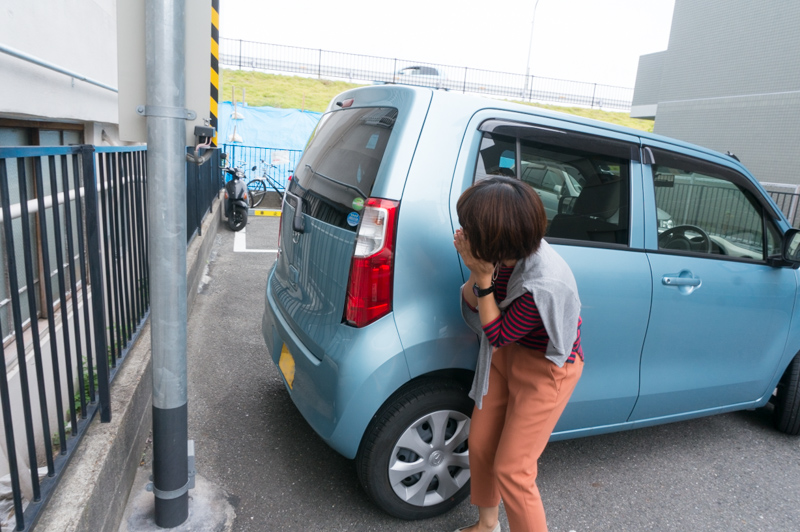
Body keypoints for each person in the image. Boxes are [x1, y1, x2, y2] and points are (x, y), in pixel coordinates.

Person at [452, 176, 584, 532]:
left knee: (513, 468)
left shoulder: (544, 283)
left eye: (470, 227)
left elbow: (496, 333)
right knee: (480, 445)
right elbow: (472, 305)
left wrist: (482, 279)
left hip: (547, 368)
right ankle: (487, 525)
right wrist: (477, 272)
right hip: (506, 354)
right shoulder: (504, 257)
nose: (463, 232)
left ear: (497, 236)